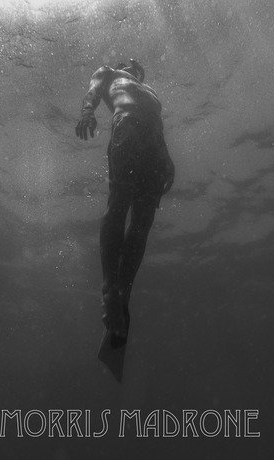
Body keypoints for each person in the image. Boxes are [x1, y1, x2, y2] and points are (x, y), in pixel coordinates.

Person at [76, 59, 175, 342]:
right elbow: (93, 91)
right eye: (128, 64)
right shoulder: (109, 73)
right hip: (127, 126)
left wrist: (167, 158)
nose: (132, 66)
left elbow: (158, 125)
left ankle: (124, 290)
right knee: (118, 204)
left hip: (155, 146)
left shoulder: (149, 90)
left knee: (144, 220)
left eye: (137, 67)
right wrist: (87, 112)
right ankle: (110, 288)